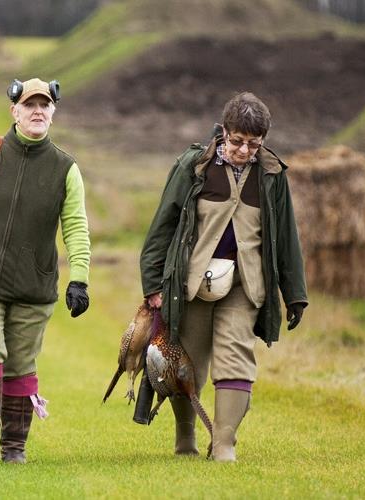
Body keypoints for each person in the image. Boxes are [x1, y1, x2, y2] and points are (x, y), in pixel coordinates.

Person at [138, 92, 308, 462]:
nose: (244, 150)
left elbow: (286, 239)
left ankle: (225, 443)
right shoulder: (193, 166)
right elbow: (163, 226)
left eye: (253, 144)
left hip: (245, 285)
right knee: (188, 363)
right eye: (237, 142)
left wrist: (295, 295)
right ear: (223, 132)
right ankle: (186, 437)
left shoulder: (272, 175)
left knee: (235, 357)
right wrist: (153, 284)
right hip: (192, 283)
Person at [0, 78, 91, 464]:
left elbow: (76, 227)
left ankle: (13, 447)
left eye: (45, 105)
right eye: (30, 105)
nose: (38, 111)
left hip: (34, 286)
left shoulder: (65, 168)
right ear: (14, 111)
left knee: (20, 365)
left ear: (53, 112)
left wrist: (79, 278)